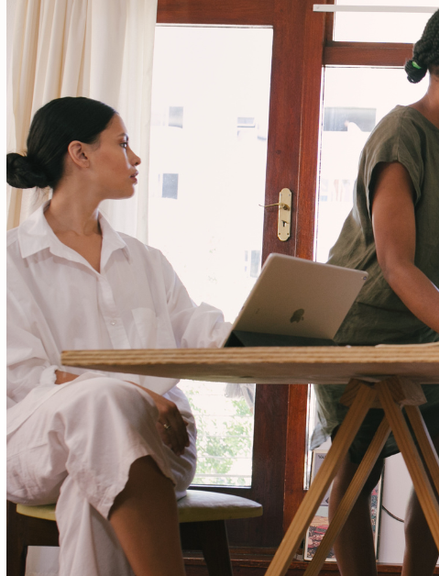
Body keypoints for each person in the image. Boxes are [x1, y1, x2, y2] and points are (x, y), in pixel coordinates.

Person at [313, 4, 439, 575]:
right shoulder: (400, 135)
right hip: (362, 326)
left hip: (423, 326)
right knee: (359, 467)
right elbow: (397, 266)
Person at [7, 97, 231, 576]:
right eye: (123, 143)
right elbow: (23, 378)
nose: (136, 158)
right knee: (107, 404)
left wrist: (268, 329)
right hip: (36, 444)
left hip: (161, 443)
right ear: (80, 154)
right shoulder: (10, 261)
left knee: (93, 484)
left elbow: (198, 329)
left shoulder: (145, 260)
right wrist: (137, 396)